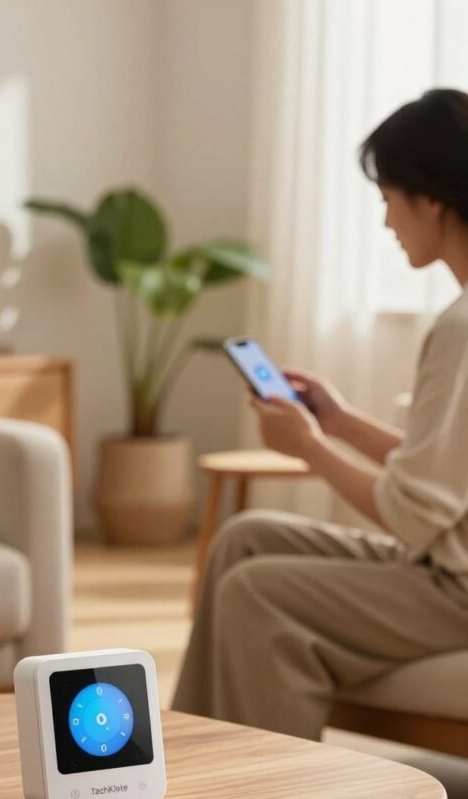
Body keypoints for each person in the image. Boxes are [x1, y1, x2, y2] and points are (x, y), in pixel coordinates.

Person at [172, 88, 468, 741]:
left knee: (258, 593)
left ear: (431, 200)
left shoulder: (459, 329)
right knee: (242, 539)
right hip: (446, 567)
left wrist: (307, 448)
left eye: (388, 197)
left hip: (456, 589)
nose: (387, 221)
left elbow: (410, 515)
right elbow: (443, 482)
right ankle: (200, 761)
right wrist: (337, 422)